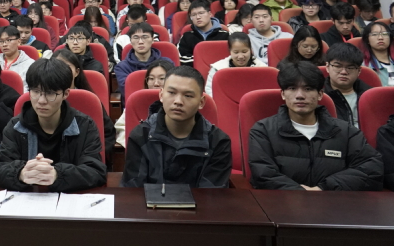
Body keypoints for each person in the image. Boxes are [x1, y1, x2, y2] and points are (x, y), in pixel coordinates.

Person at [248, 61, 383, 191]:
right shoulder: (263, 130)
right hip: (283, 203)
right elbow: (263, 174)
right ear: (283, 94)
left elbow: (371, 168)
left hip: (336, 202)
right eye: (292, 88)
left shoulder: (346, 131)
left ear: (320, 95)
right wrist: (300, 192)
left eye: (308, 89)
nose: (300, 96)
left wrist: (323, 188)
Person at [0, 58, 106, 191]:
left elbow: (96, 171)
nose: (41, 101)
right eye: (35, 91)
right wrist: (21, 173)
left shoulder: (85, 126)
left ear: (65, 93)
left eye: (50, 93)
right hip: (29, 199)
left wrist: (57, 174)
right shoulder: (16, 126)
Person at [121, 66, 232, 188]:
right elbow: (134, 190)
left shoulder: (218, 142)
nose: (178, 101)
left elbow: (212, 195)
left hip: (199, 201)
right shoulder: (141, 136)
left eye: (188, 95)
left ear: (201, 102)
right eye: (172, 93)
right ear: (161, 95)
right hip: (149, 201)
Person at [54, 49, 116, 155]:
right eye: (57, 67)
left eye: (67, 67)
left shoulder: (89, 100)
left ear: (77, 72)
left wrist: (95, 156)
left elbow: (107, 133)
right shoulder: (44, 99)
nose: (62, 72)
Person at [114, 59, 174, 147]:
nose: (156, 83)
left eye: (162, 78)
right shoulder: (136, 101)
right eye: (151, 78)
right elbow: (122, 129)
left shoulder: (178, 103)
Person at [114, 23, 174, 104]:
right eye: (136, 38)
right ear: (130, 41)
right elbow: (128, 92)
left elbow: (173, 88)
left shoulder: (167, 63)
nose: (140, 42)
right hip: (136, 104)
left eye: (145, 37)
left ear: (152, 39)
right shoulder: (122, 67)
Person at [323, 43, 370, 128]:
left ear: (359, 71)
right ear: (327, 67)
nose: (344, 72)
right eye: (338, 66)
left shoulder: (371, 96)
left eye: (350, 68)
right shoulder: (319, 97)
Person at [177, 0, 230, 66]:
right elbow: (182, 59)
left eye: (201, 13)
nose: (198, 17)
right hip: (193, 71)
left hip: (219, 69)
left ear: (210, 14)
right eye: (193, 15)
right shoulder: (186, 36)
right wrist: (205, 60)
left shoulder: (225, 35)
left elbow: (230, 57)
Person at [0, 26, 35, 91]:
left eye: (9, 40)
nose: (4, 44)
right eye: (1, 41)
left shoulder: (30, 64)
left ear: (19, 41)